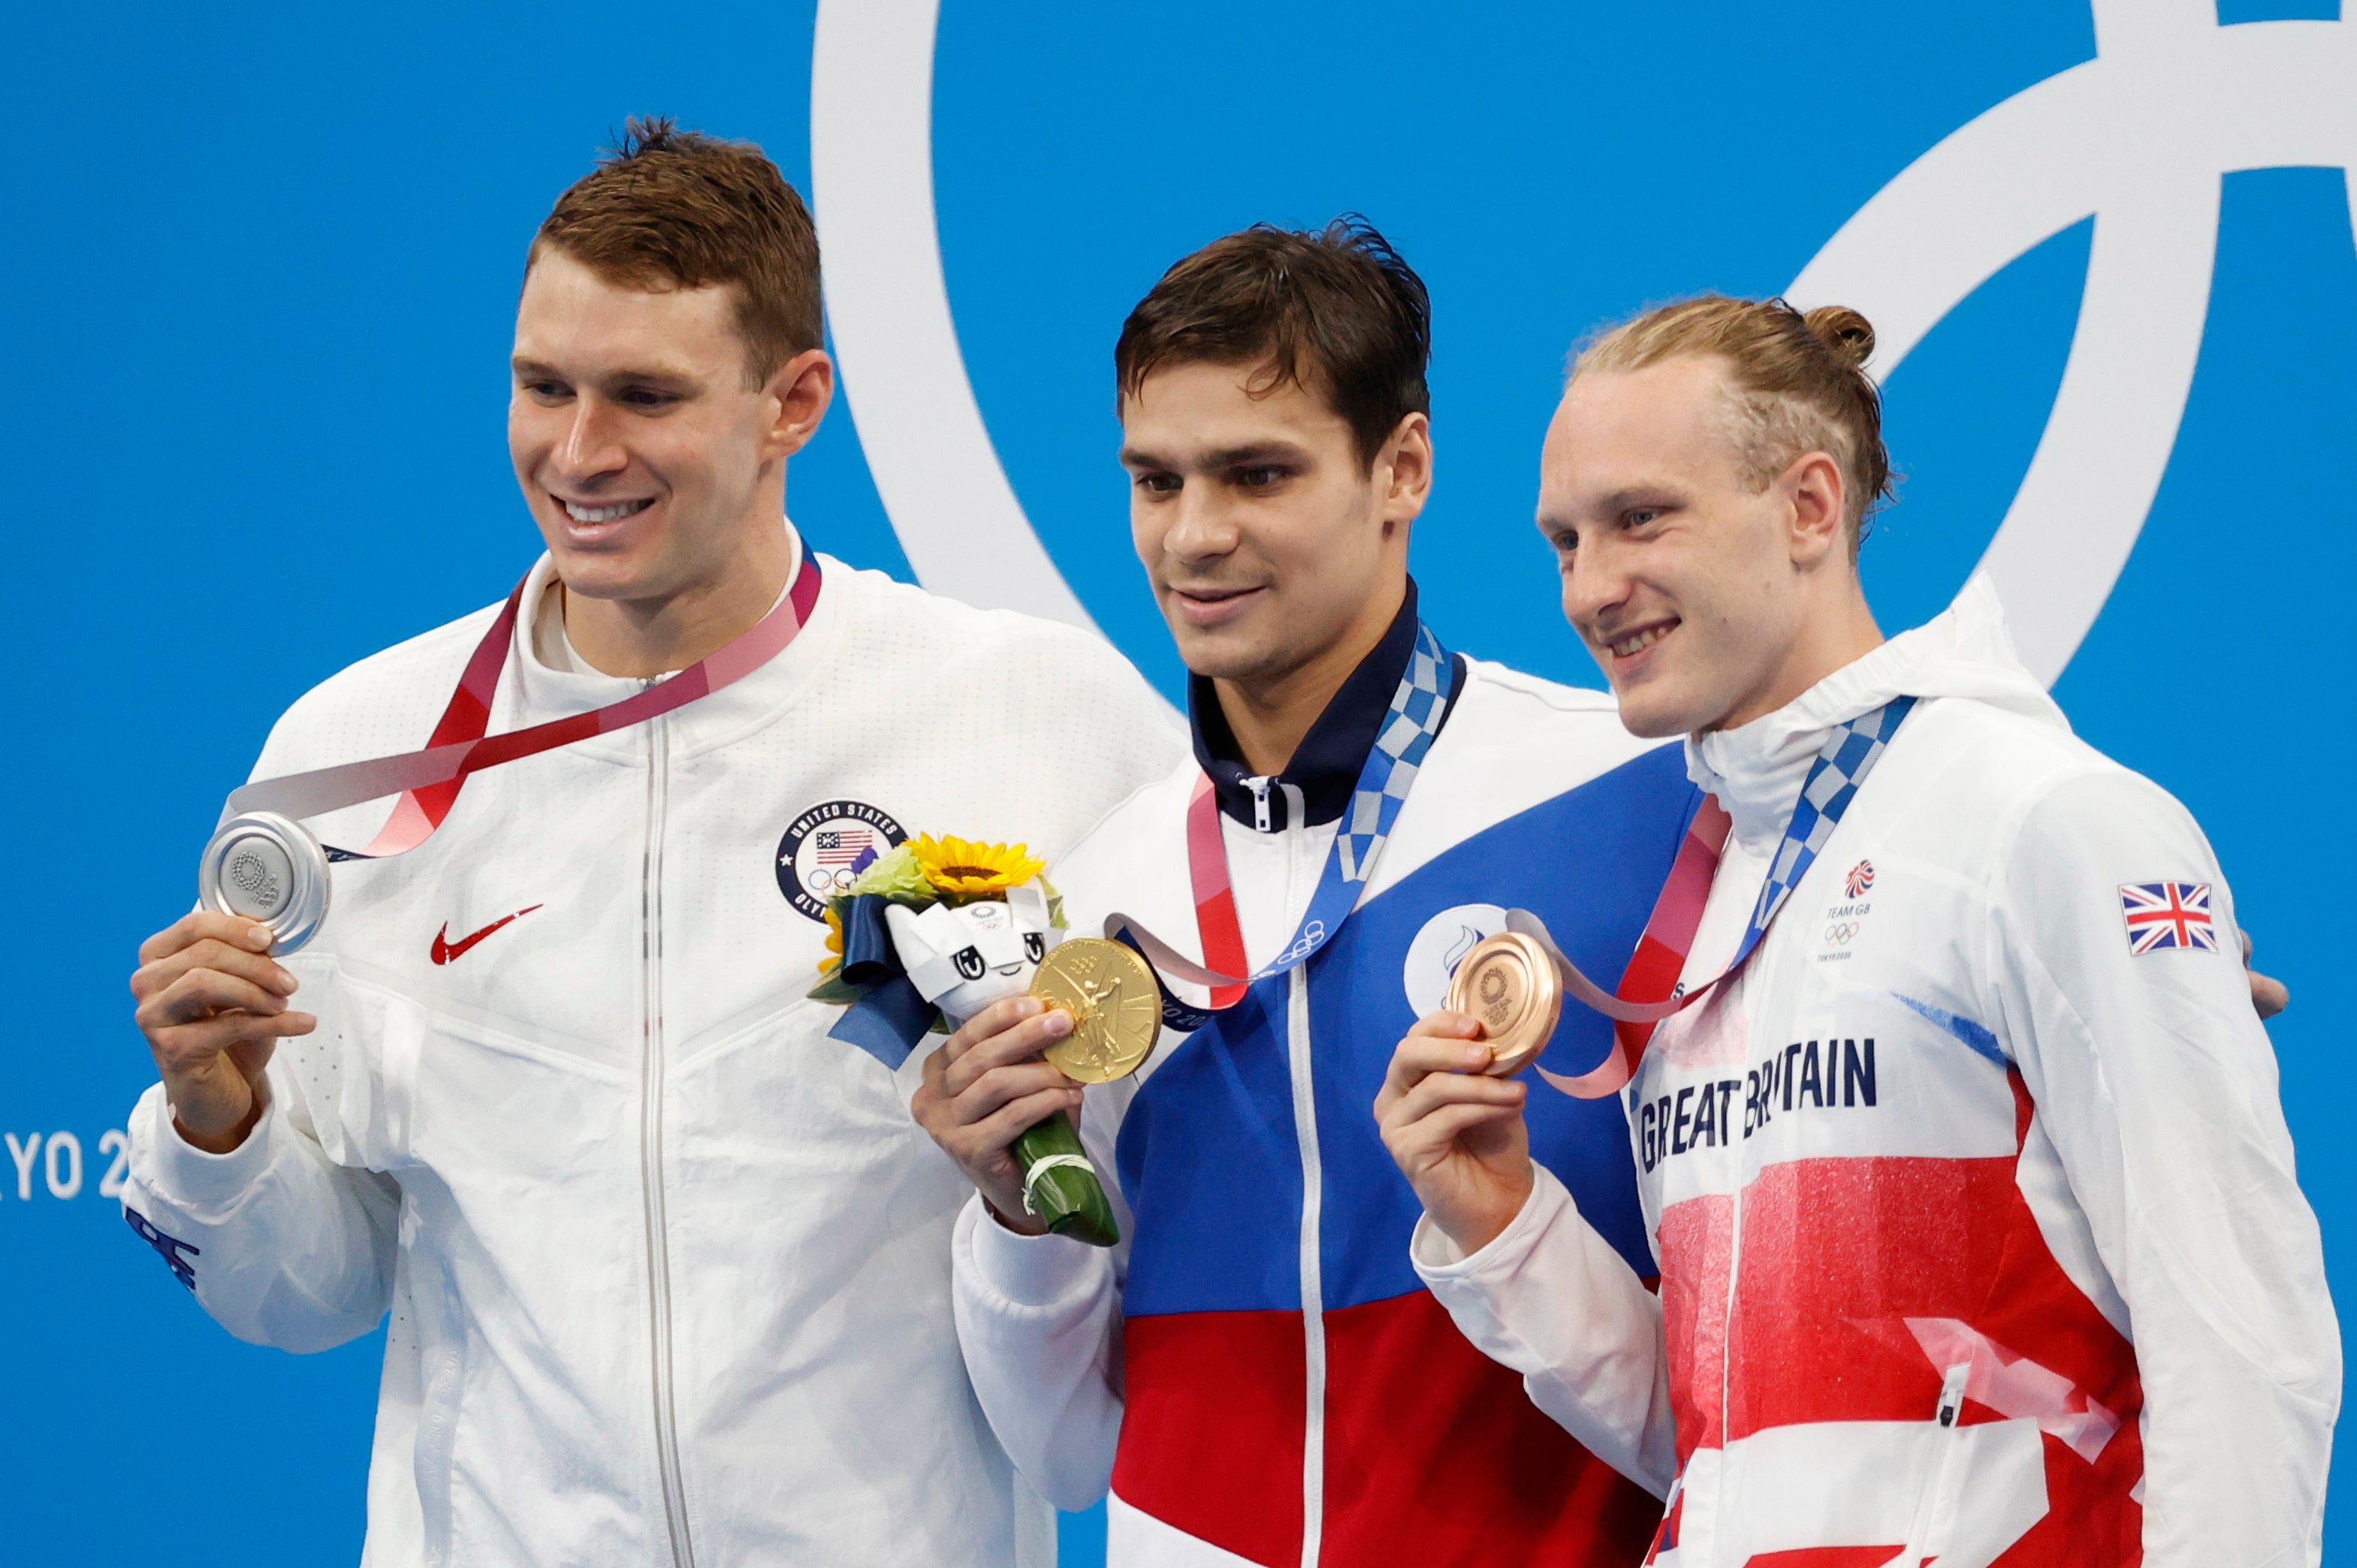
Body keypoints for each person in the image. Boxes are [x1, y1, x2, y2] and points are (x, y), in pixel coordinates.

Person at [119, 119, 1182, 1568]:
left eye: (643, 395)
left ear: (792, 401)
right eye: (541, 386)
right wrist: (218, 1121)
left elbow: (1194, 1186)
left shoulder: (1031, 717)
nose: (576, 452)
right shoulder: (353, 760)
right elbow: (307, 1293)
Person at [1377, 296, 2338, 1565]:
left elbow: (2242, 1338)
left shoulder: (2043, 823)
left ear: (1810, 508)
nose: (1588, 589)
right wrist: (1506, 1227)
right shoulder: (1709, 900)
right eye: (1562, 541)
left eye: (1639, 517)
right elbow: (1736, 1447)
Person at [914, 220, 1698, 1566]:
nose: (1194, 535)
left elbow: (1737, 1387)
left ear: (1402, 468)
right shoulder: (1104, 895)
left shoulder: (1634, 800)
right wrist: (1013, 1209)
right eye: (1154, 481)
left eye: (1256, 474)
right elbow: (1069, 1453)